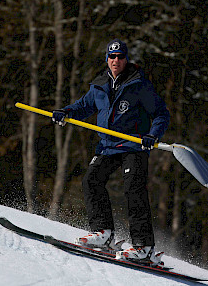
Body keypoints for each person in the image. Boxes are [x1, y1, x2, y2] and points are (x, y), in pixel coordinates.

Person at [52, 39, 170, 263]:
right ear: (107, 59)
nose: (116, 61)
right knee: (91, 180)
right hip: (107, 146)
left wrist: (152, 135)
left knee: (133, 189)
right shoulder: (99, 85)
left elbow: (161, 114)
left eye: (120, 57)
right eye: (112, 57)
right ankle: (104, 233)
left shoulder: (139, 85)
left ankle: (144, 247)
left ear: (126, 59)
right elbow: (84, 106)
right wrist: (65, 112)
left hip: (133, 145)